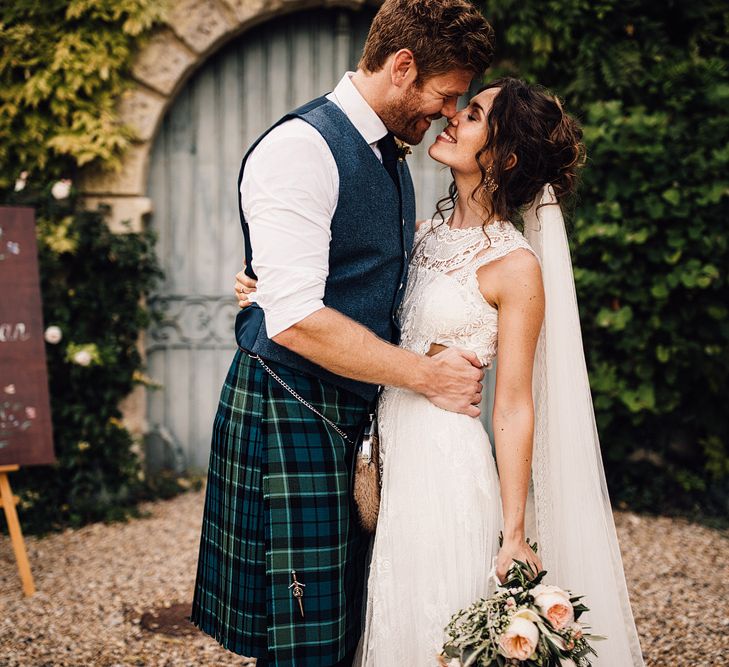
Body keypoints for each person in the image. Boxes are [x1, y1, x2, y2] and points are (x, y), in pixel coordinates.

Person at [238, 80, 645, 666]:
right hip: (382, 455)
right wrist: (269, 292)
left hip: (444, 468)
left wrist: (513, 530)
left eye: (473, 114)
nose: (452, 117)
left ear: (503, 157)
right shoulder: (419, 235)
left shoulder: (515, 267)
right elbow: (352, 306)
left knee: (433, 629)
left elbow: (512, 404)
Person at [190, 1, 495, 666]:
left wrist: (264, 281)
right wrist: (427, 376)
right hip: (290, 406)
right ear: (401, 66)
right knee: (302, 636)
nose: (448, 112)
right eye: (446, 95)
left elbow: (360, 272)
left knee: (350, 624)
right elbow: (295, 319)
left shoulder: (388, 150)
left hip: (353, 414)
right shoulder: (301, 148)